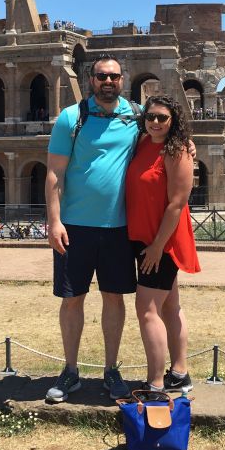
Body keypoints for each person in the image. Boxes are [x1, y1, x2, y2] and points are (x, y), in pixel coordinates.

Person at [45, 53, 141, 402]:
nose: (108, 82)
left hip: (118, 227)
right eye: (102, 76)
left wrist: (187, 144)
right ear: (91, 80)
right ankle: (70, 371)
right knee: (72, 299)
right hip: (74, 227)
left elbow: (167, 137)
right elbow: (55, 172)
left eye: (114, 76)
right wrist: (54, 221)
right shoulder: (72, 118)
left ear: (122, 79)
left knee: (114, 298)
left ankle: (111, 369)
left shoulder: (136, 116)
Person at [126, 95, 201, 397]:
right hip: (144, 236)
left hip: (161, 241)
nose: (155, 122)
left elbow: (177, 203)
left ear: (174, 122)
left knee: (147, 310)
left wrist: (158, 246)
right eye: (151, 116)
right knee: (170, 305)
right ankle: (180, 374)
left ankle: (155, 383)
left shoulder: (178, 151)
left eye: (162, 118)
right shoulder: (144, 142)